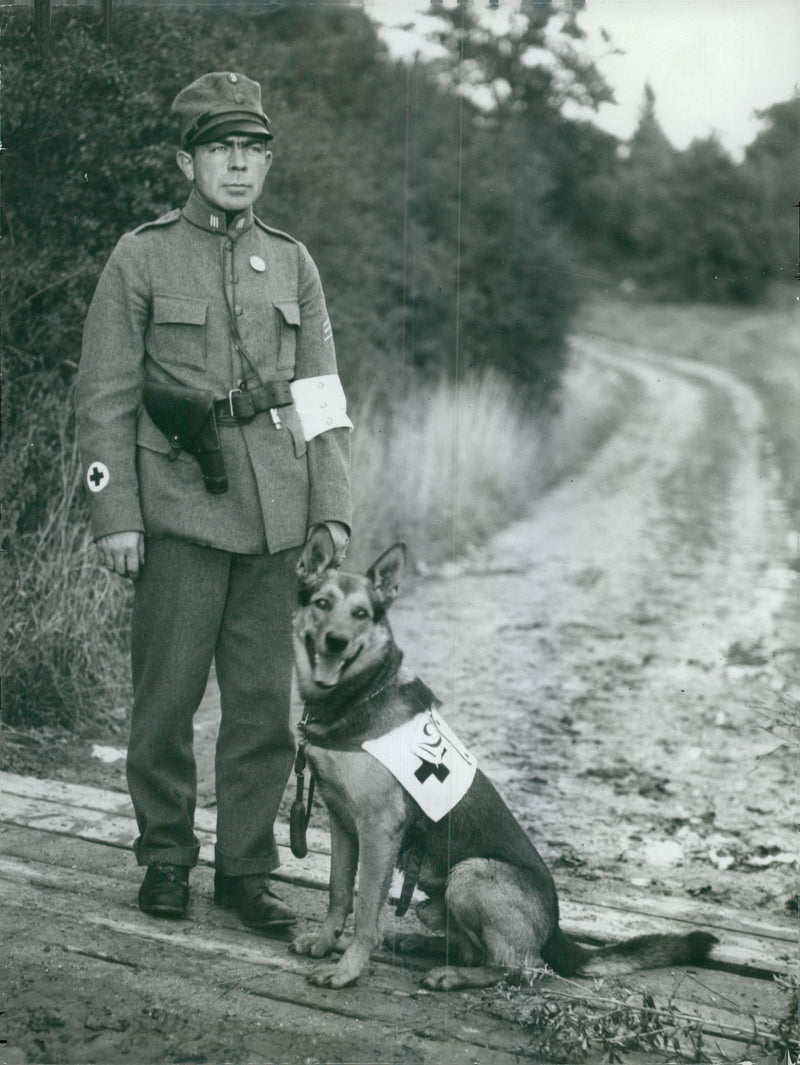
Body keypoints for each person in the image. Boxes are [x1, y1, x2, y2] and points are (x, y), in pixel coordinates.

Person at [76, 72, 352, 926]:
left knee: (263, 707)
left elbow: (322, 393)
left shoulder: (293, 260)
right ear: (185, 162)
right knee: (166, 700)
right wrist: (115, 513)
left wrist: (331, 506)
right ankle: (165, 856)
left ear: (267, 162)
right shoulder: (142, 255)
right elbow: (104, 396)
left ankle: (244, 871)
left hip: (274, 515)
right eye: (221, 149)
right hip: (178, 508)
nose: (238, 165)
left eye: (253, 150)